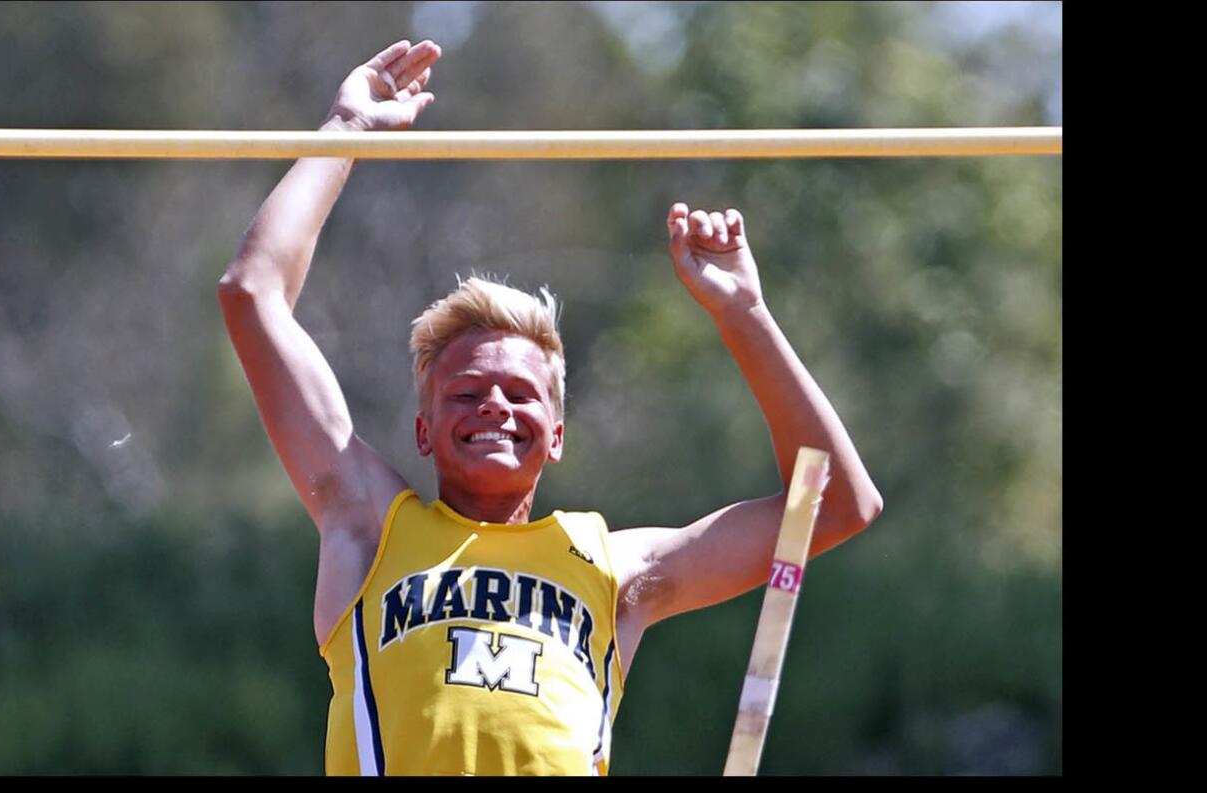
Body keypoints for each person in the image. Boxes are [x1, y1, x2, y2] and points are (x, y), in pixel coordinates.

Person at [217, 39, 882, 776]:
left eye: (520, 394)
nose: (494, 406)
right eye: (466, 392)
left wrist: (744, 313)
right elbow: (252, 294)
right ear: (424, 430)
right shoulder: (369, 525)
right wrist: (345, 130)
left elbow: (833, 502)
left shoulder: (617, 569)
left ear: (558, 435)